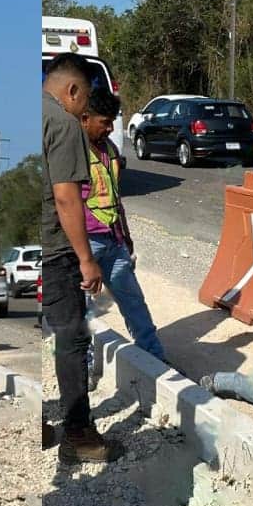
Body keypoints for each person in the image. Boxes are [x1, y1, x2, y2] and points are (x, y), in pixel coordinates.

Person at [41, 52, 114, 463]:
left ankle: (36, 423)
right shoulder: (63, 123)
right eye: (84, 98)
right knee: (71, 337)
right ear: (72, 90)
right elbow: (67, 197)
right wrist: (86, 259)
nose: (84, 108)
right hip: (54, 250)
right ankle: (78, 434)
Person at [78, 85, 165, 360]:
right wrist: (82, 256)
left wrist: (125, 236)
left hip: (113, 240)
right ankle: (85, 364)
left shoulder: (110, 149)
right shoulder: (71, 152)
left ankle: (154, 357)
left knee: (134, 302)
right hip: (86, 243)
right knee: (82, 310)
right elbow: (66, 204)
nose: (108, 129)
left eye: (112, 123)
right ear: (85, 118)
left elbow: (114, 196)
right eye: (104, 123)